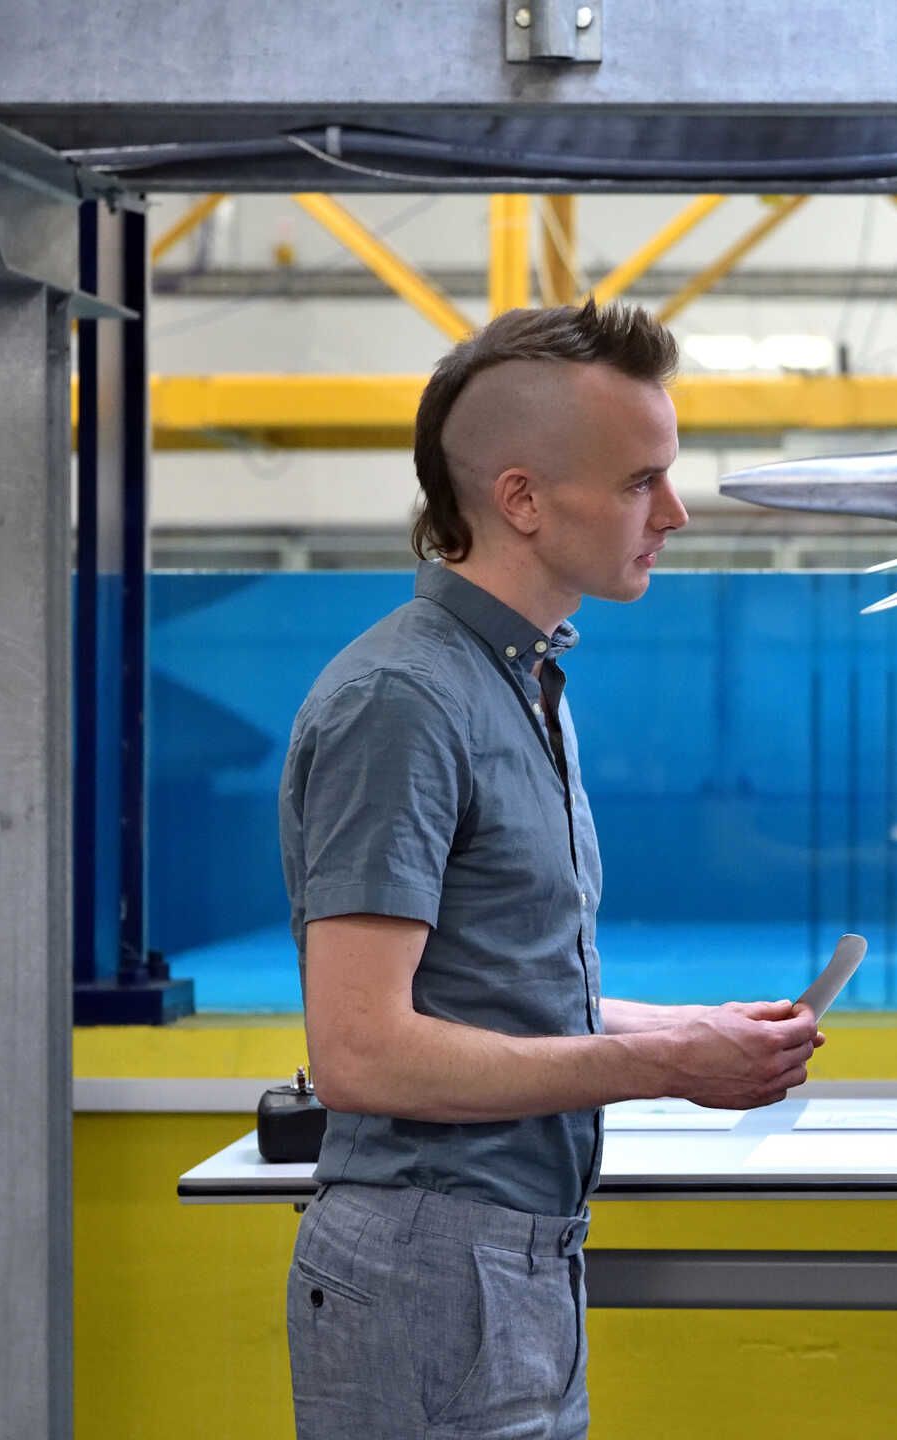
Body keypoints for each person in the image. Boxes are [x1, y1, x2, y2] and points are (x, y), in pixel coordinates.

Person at [278, 301, 820, 1439]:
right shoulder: (404, 701)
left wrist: (690, 1028)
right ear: (521, 499)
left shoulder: (521, 685)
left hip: (517, 1256)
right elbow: (362, 1053)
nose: (674, 513)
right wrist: (665, 1063)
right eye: (640, 482)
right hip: (430, 1262)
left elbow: (495, 992)